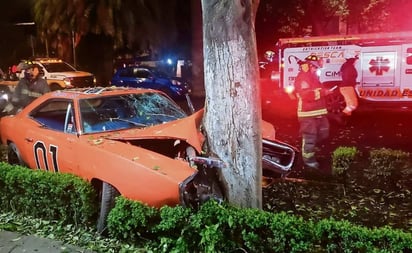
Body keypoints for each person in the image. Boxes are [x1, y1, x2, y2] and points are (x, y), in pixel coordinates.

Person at [294, 54, 330, 170]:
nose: (317, 69)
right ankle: (308, 161)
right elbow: (306, 95)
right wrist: (324, 92)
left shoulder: (313, 76)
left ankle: (311, 148)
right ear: (310, 66)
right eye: (315, 67)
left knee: (324, 132)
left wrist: (324, 91)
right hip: (307, 113)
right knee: (310, 137)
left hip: (318, 112)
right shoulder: (303, 77)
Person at [339, 52, 359, 116]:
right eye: (355, 59)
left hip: (346, 87)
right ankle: (342, 116)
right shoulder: (349, 67)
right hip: (347, 87)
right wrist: (353, 83)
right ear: (352, 59)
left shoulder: (346, 65)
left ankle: (347, 119)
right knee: (353, 104)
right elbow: (348, 78)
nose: (356, 61)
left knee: (349, 105)